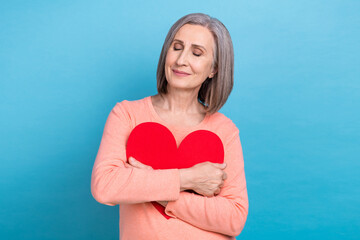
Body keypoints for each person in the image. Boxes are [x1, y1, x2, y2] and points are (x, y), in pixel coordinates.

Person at [91, 13, 248, 240]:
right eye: (176, 47)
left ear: (213, 69)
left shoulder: (225, 130)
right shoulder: (127, 114)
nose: (181, 60)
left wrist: (153, 188)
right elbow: (105, 186)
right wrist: (188, 179)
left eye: (196, 53)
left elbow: (234, 218)